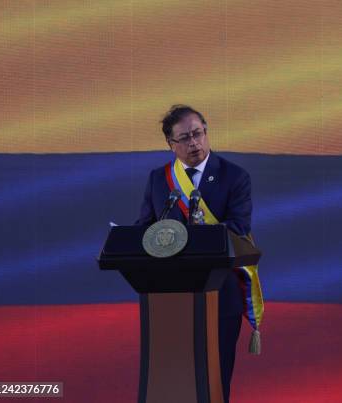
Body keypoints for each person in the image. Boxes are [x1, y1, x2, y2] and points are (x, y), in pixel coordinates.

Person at [136, 104, 253, 402]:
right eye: (185, 138)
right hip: (169, 296)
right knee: (174, 378)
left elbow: (239, 228)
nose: (194, 143)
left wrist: (200, 234)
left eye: (198, 134)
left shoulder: (234, 176)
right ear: (171, 144)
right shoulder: (159, 179)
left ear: (206, 132)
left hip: (219, 294)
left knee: (215, 376)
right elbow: (144, 228)